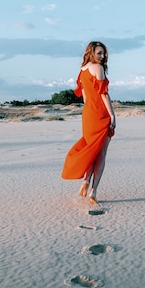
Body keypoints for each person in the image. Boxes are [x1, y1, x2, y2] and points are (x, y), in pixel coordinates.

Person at [61, 41, 116, 204]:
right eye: (99, 53)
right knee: (101, 153)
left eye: (104, 53)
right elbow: (104, 94)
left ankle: (85, 181)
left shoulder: (82, 71)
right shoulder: (98, 68)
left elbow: (85, 96)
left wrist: (90, 111)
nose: (103, 56)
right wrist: (112, 115)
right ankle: (94, 191)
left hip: (88, 114)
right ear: (91, 52)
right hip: (101, 113)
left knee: (92, 149)